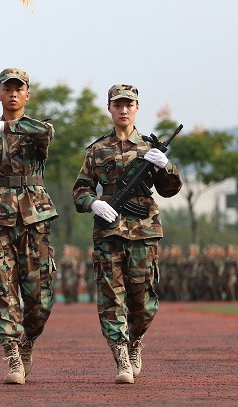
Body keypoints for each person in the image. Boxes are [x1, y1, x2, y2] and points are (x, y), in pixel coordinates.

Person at [73, 84, 182, 384]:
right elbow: (80, 190)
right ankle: (121, 355)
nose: (123, 109)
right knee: (111, 298)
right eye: (117, 104)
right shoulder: (96, 150)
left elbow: (170, 190)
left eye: (129, 104)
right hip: (108, 234)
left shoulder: (150, 148)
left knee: (143, 301)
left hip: (144, 232)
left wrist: (167, 166)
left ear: (137, 108)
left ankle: (135, 340)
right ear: (109, 108)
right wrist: (94, 203)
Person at [0, 68, 58, 385]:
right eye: (7, 88)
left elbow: (45, 132)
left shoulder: (35, 131)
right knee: (2, 292)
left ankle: (28, 338)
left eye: (20, 88)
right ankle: (13, 356)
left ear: (27, 94)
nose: (14, 93)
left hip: (34, 222)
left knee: (38, 300)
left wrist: (6, 125)